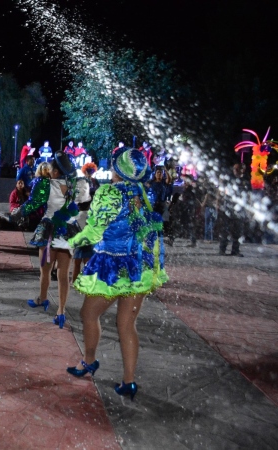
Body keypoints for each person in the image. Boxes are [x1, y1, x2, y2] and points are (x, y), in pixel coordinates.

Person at [66, 148, 168, 401]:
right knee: (126, 324)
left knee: (88, 314)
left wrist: (72, 242)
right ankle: (129, 382)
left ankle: (89, 361)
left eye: (113, 166)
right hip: (139, 268)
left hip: (113, 268)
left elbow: (95, 230)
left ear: (118, 169)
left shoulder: (109, 192)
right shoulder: (144, 193)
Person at [17, 154, 78, 329]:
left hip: (50, 228)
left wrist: (17, 213)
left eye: (50, 168)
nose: (48, 171)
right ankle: (61, 310)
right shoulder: (73, 185)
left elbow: (33, 203)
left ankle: (43, 299)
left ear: (56, 171)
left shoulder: (46, 184)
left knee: (45, 268)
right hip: (68, 230)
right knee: (63, 273)